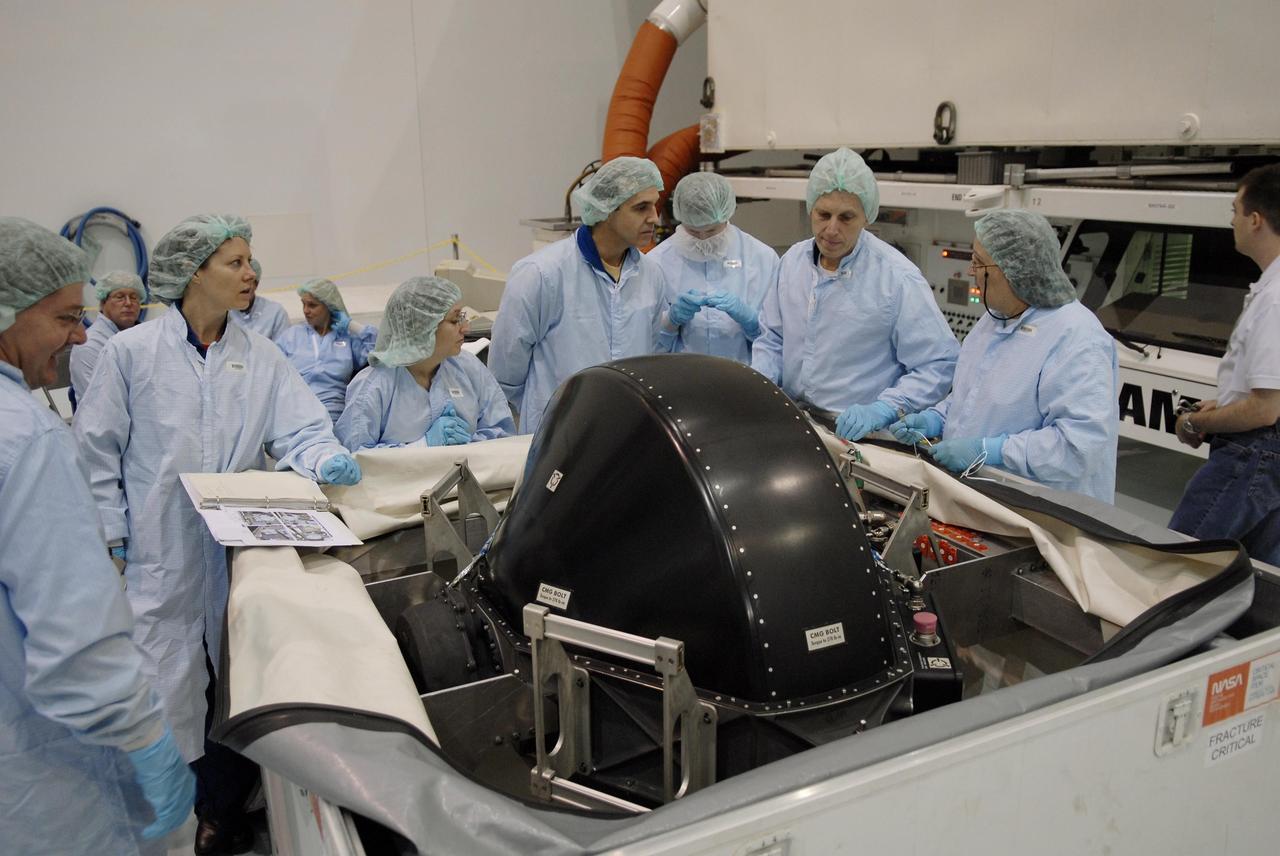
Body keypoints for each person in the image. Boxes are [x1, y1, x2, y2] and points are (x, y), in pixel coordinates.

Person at [74, 214, 361, 855]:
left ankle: (220, 816)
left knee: (235, 689)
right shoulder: (131, 354)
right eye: (234, 262)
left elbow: (302, 429)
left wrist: (323, 459)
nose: (251, 273)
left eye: (250, 260)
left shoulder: (259, 356)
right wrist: (111, 535)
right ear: (193, 272)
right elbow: (95, 453)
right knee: (164, 685)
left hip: (235, 555)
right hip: (157, 555)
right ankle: (165, 821)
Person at [0, 218, 194, 854]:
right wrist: (142, 735)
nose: (81, 335)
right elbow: (74, 639)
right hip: (45, 778)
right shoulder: (25, 439)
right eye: (64, 318)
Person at [890, 209, 1119, 501]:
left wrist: (991, 450)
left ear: (1013, 269)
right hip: (984, 497)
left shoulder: (1077, 338)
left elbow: (1078, 447)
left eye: (978, 262)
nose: (971, 272)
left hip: (1047, 515)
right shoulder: (994, 319)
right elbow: (972, 396)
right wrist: (936, 419)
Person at [751, 147, 959, 440]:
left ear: (867, 217)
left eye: (846, 217)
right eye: (823, 214)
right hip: (794, 421)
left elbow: (938, 364)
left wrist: (883, 409)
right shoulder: (792, 262)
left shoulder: (896, 278)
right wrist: (762, 382)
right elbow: (772, 337)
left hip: (863, 437)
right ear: (811, 208)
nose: (831, 229)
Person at [489, 156, 668, 436]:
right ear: (607, 209)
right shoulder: (542, 273)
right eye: (641, 208)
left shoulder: (651, 274)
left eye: (654, 205)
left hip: (628, 430)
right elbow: (505, 372)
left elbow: (653, 354)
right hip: (559, 436)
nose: (654, 217)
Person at [1169, 164, 1280, 563]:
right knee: (1258, 583)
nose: (1231, 220)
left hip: (1253, 456)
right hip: (1268, 458)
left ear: (1255, 220)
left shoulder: (1275, 299)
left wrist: (1196, 422)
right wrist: (1226, 401)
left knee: (1175, 567)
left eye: (1234, 210)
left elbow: (1265, 409)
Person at [336, 276, 514, 450]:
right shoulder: (373, 387)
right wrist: (422, 447)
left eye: (463, 317)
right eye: (455, 320)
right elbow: (359, 460)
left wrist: (466, 449)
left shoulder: (468, 368)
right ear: (422, 327)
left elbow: (501, 435)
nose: (466, 328)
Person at [647, 171, 779, 364]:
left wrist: (752, 321)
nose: (703, 239)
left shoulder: (761, 258)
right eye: (692, 231)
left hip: (743, 382)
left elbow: (777, 343)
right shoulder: (656, 262)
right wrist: (669, 322)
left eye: (711, 230)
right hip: (680, 382)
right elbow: (644, 348)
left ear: (727, 216)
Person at [276, 278, 377, 422]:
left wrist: (351, 325)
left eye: (312, 305)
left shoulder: (346, 337)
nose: (306, 311)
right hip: (298, 412)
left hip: (335, 414)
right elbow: (271, 367)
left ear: (329, 306)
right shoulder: (292, 335)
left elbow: (380, 350)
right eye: (303, 304)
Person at [69, 270, 147, 403]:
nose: (128, 303)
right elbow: (99, 403)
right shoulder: (89, 345)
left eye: (134, 297)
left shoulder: (147, 338)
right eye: (119, 297)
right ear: (103, 303)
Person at [234, 258, 288, 340]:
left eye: (248, 281)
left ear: (256, 284)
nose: (243, 286)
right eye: (238, 282)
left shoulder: (275, 312)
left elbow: (283, 348)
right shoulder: (224, 312)